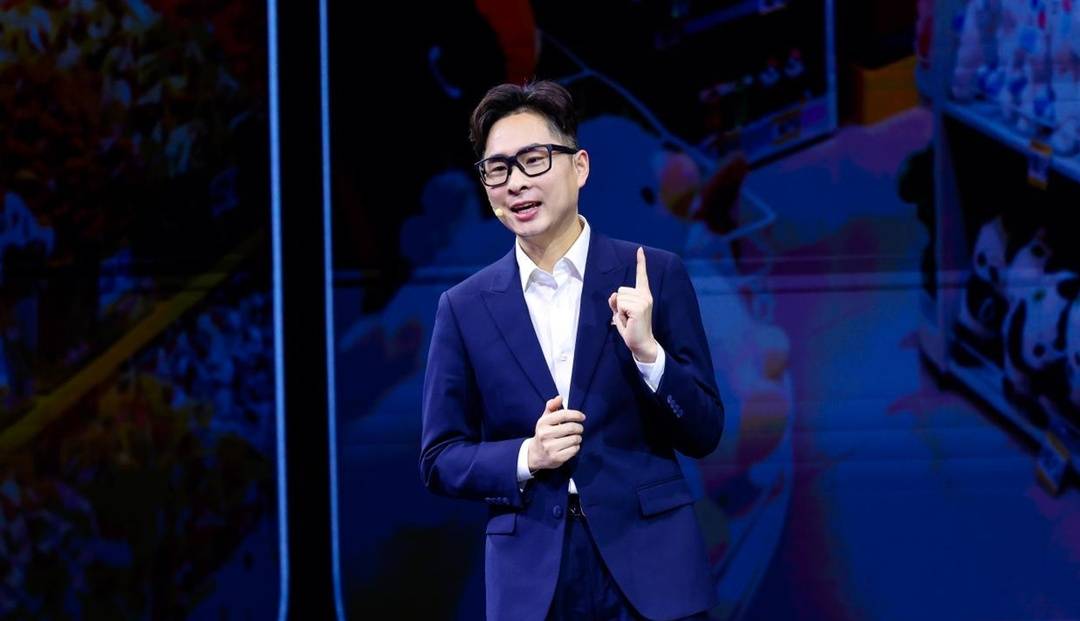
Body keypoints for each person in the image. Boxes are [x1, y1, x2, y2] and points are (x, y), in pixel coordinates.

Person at [419, 80, 724, 621]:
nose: (516, 182)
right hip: (534, 577)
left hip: (651, 565)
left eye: (533, 160)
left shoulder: (653, 275)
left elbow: (704, 431)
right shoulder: (463, 307)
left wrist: (649, 355)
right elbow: (440, 458)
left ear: (579, 167)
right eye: (497, 169)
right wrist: (526, 456)